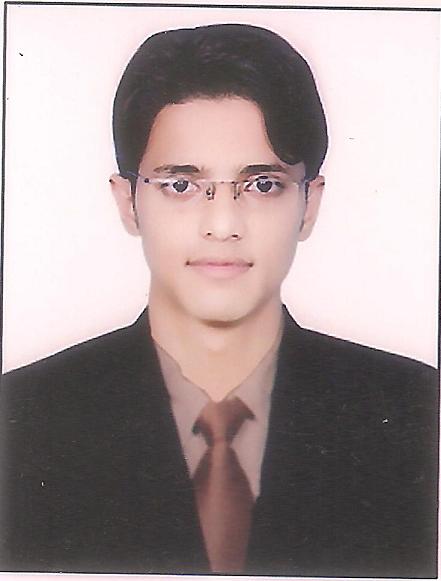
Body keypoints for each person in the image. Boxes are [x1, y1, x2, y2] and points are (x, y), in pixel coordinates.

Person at [0, 23, 438, 577]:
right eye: (181, 185)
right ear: (128, 201)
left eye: (262, 185)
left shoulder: (419, 413)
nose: (223, 224)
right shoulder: (20, 420)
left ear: (309, 204)